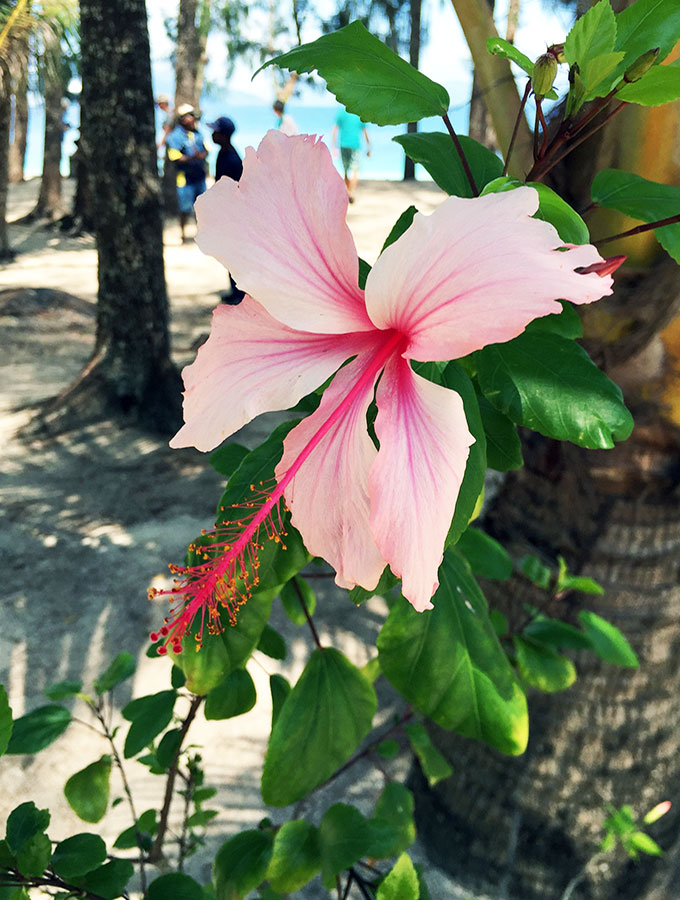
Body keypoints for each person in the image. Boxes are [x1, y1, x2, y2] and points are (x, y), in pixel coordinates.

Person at [207, 116, 244, 304]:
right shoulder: (224, 153)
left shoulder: (231, 158)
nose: (212, 134)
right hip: (229, 212)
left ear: (224, 135)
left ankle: (239, 293)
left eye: (216, 131)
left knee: (235, 253)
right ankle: (235, 290)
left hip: (234, 214)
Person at [166, 104, 208, 243]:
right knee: (184, 208)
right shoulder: (174, 137)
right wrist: (192, 157)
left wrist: (202, 155)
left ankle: (201, 234)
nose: (193, 119)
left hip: (199, 176)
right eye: (190, 116)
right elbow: (174, 156)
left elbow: (206, 149)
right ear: (183, 119)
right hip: (184, 179)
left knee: (202, 208)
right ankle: (183, 235)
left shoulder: (198, 133)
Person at [332, 106, 371, 203]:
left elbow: (335, 130)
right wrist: (369, 146)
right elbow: (365, 132)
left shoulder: (341, 112)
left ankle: (348, 192)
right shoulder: (359, 112)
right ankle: (351, 192)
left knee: (345, 170)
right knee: (355, 170)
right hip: (355, 146)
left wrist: (334, 146)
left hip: (343, 145)